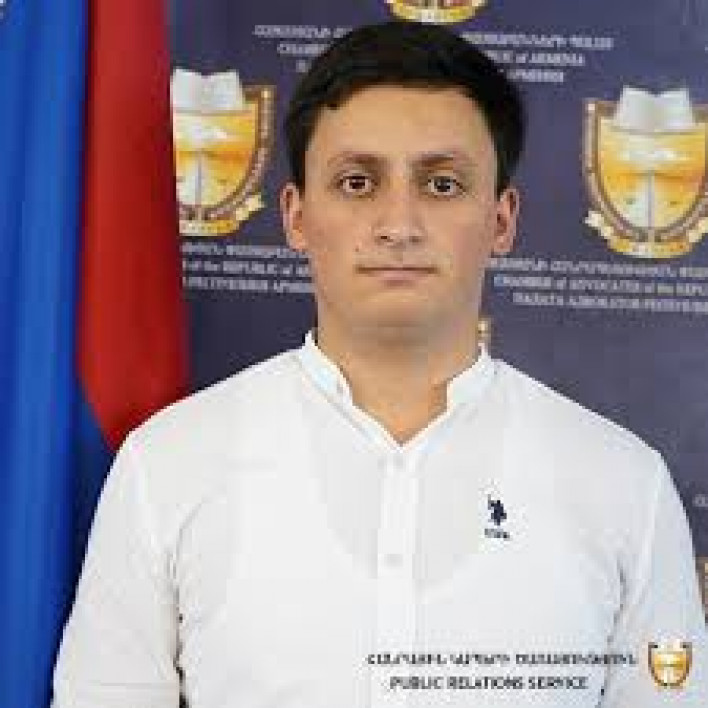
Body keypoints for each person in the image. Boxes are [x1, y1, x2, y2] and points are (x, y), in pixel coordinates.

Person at [52, 20, 707, 708]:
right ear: (296, 216)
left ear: (502, 219)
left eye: (443, 184)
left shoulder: (624, 485)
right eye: (357, 182)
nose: (399, 224)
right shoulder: (168, 464)